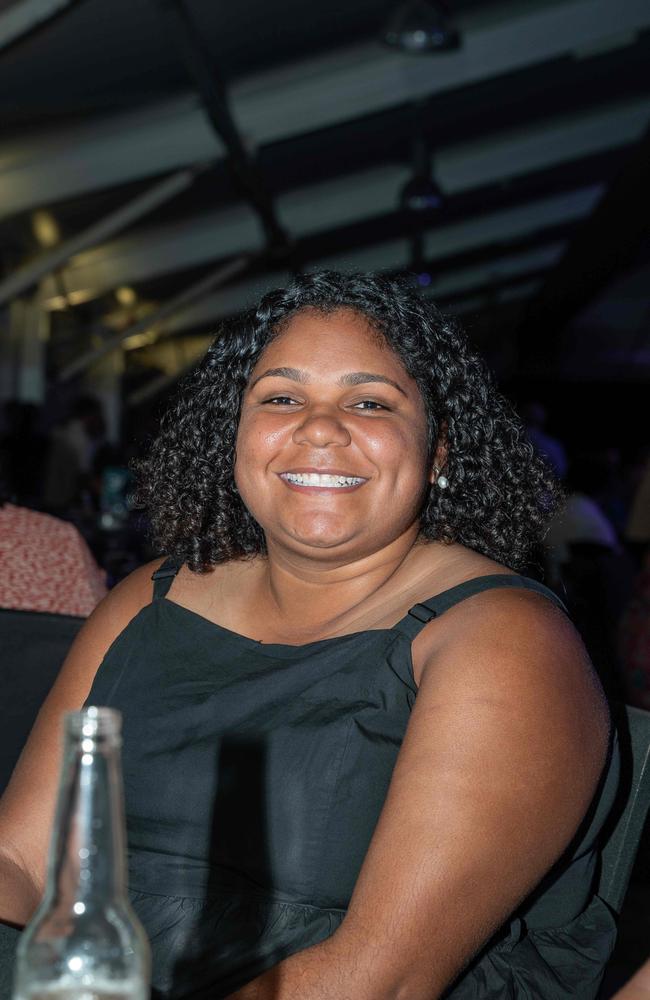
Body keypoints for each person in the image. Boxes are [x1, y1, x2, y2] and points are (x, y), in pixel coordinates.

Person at [0, 272, 619, 999]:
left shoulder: (503, 639)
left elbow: (377, 979)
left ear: (439, 451)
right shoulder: (147, 599)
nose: (319, 428)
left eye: (369, 402)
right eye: (282, 397)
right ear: (235, 433)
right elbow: (21, 860)